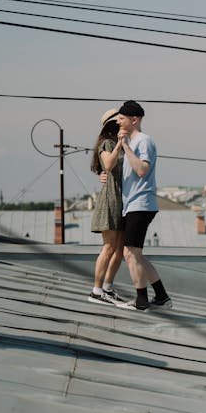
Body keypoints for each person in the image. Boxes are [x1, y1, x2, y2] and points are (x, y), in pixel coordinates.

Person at [115, 99, 172, 311]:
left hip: (141, 203)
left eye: (121, 119)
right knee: (135, 254)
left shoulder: (144, 141)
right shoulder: (131, 141)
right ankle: (162, 296)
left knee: (130, 253)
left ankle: (141, 301)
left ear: (134, 119)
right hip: (133, 204)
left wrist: (126, 148)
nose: (118, 122)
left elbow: (141, 170)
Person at [88, 108, 126, 305]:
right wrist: (120, 142)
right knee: (109, 247)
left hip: (121, 200)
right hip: (110, 200)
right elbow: (109, 164)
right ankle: (96, 290)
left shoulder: (121, 143)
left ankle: (108, 288)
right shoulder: (107, 143)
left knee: (119, 249)